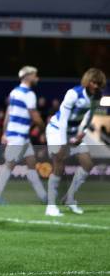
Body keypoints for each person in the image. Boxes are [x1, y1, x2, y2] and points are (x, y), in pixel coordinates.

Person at [45, 68, 106, 216]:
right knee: (58, 163)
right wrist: (64, 143)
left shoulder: (97, 96)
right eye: (93, 82)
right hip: (56, 130)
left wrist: (81, 133)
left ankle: (69, 198)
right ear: (87, 81)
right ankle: (51, 206)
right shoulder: (73, 94)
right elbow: (63, 120)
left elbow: (89, 116)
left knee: (87, 164)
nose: (96, 86)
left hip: (74, 132)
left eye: (99, 83)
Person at [0, 66, 47, 204]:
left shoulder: (14, 92)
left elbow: (8, 113)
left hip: (21, 136)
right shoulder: (29, 94)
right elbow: (35, 116)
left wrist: (4, 132)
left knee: (31, 164)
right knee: (9, 165)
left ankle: (44, 197)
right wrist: (45, 130)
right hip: (18, 136)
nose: (37, 78)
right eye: (35, 75)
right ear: (28, 76)